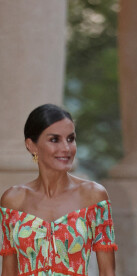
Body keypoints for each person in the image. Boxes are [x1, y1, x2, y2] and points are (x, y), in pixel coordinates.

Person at [0, 104, 117, 276]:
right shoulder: (13, 199)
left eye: (70, 139)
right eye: (54, 139)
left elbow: (108, 272)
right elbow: (8, 272)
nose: (66, 148)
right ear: (31, 146)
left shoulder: (93, 195)